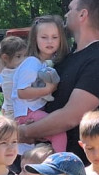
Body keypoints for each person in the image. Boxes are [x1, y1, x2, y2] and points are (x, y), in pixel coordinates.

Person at [19, 0, 99, 163]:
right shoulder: (67, 57)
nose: (66, 15)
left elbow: (71, 116)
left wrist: (24, 132)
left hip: (74, 166)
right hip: (43, 162)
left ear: (82, 15)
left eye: (70, 9)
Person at [13, 17, 68, 152]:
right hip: (28, 112)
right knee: (58, 131)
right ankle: (60, 164)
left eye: (55, 37)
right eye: (44, 37)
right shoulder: (32, 62)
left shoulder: (44, 63)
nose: (50, 41)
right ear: (35, 39)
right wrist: (48, 89)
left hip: (33, 111)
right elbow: (22, 92)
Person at [0, 35, 29, 119]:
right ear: (5, 58)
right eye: (18, 56)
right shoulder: (13, 74)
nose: (23, 59)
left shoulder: (6, 72)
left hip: (10, 110)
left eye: (25, 55)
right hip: (15, 113)